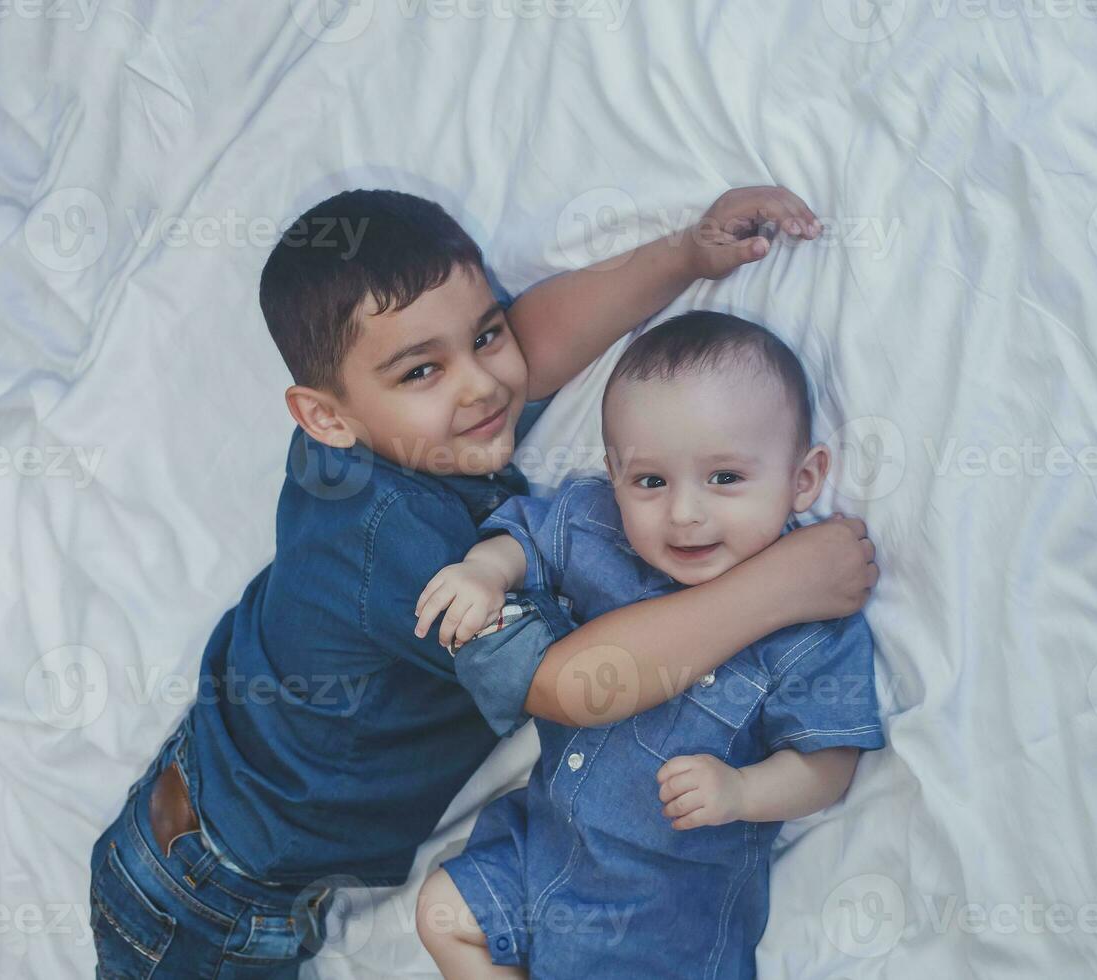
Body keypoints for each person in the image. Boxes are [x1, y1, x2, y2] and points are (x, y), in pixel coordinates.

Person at [87, 187, 878, 977]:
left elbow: (532, 340)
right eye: (423, 369)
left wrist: (685, 255)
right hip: (208, 893)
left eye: (485, 335)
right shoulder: (391, 545)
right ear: (325, 417)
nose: (482, 386)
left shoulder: (399, 425)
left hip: (214, 807)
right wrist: (781, 586)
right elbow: (575, 686)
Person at [415, 312, 884, 979]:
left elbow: (830, 764)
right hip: (541, 843)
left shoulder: (810, 629)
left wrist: (743, 792)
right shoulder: (595, 525)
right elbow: (527, 538)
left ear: (802, 480)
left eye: (725, 478)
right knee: (442, 908)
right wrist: (484, 572)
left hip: (660, 911)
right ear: (614, 476)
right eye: (651, 482)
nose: (685, 513)